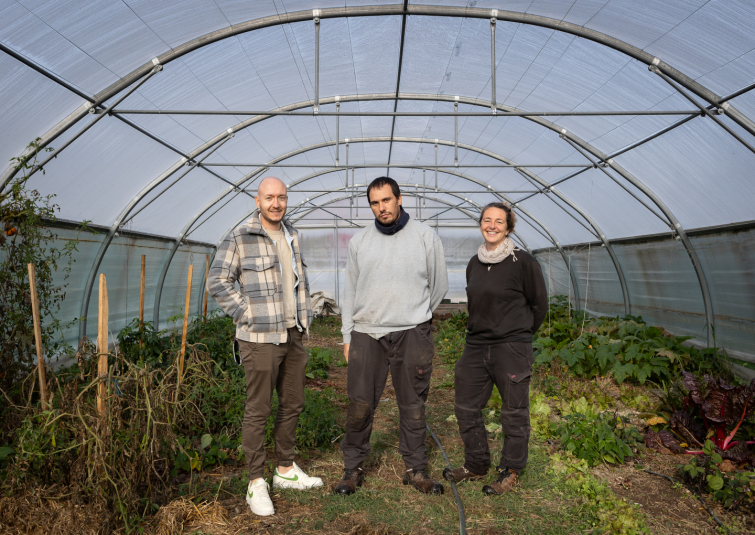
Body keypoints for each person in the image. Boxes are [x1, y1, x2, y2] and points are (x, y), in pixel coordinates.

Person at [207, 177, 323, 517]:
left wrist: (305, 319)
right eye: (269, 197)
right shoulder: (240, 236)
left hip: (293, 333)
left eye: (281, 197)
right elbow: (217, 280)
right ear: (257, 200)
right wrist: (247, 313)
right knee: (258, 409)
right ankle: (256, 482)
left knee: (293, 402)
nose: (276, 203)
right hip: (259, 339)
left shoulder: (291, 234)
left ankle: (285, 469)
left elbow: (297, 281)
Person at [335, 176, 449, 496]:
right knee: (359, 404)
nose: (381, 208)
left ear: (399, 199)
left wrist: (416, 316)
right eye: (374, 203)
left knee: (412, 404)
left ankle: (416, 468)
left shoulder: (425, 237)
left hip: (412, 333)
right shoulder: (360, 242)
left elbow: (439, 286)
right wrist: (347, 335)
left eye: (386, 200)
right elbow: (350, 292)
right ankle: (352, 468)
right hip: (366, 334)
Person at [442, 202, 547, 495]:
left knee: (513, 412)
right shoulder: (474, 263)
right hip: (475, 346)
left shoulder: (523, 262)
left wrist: (519, 336)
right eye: (487, 220)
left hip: (510, 348)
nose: (492, 226)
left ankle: (510, 470)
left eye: (498, 221)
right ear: (480, 224)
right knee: (466, 407)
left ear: (509, 227)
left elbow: (539, 305)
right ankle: (476, 464)